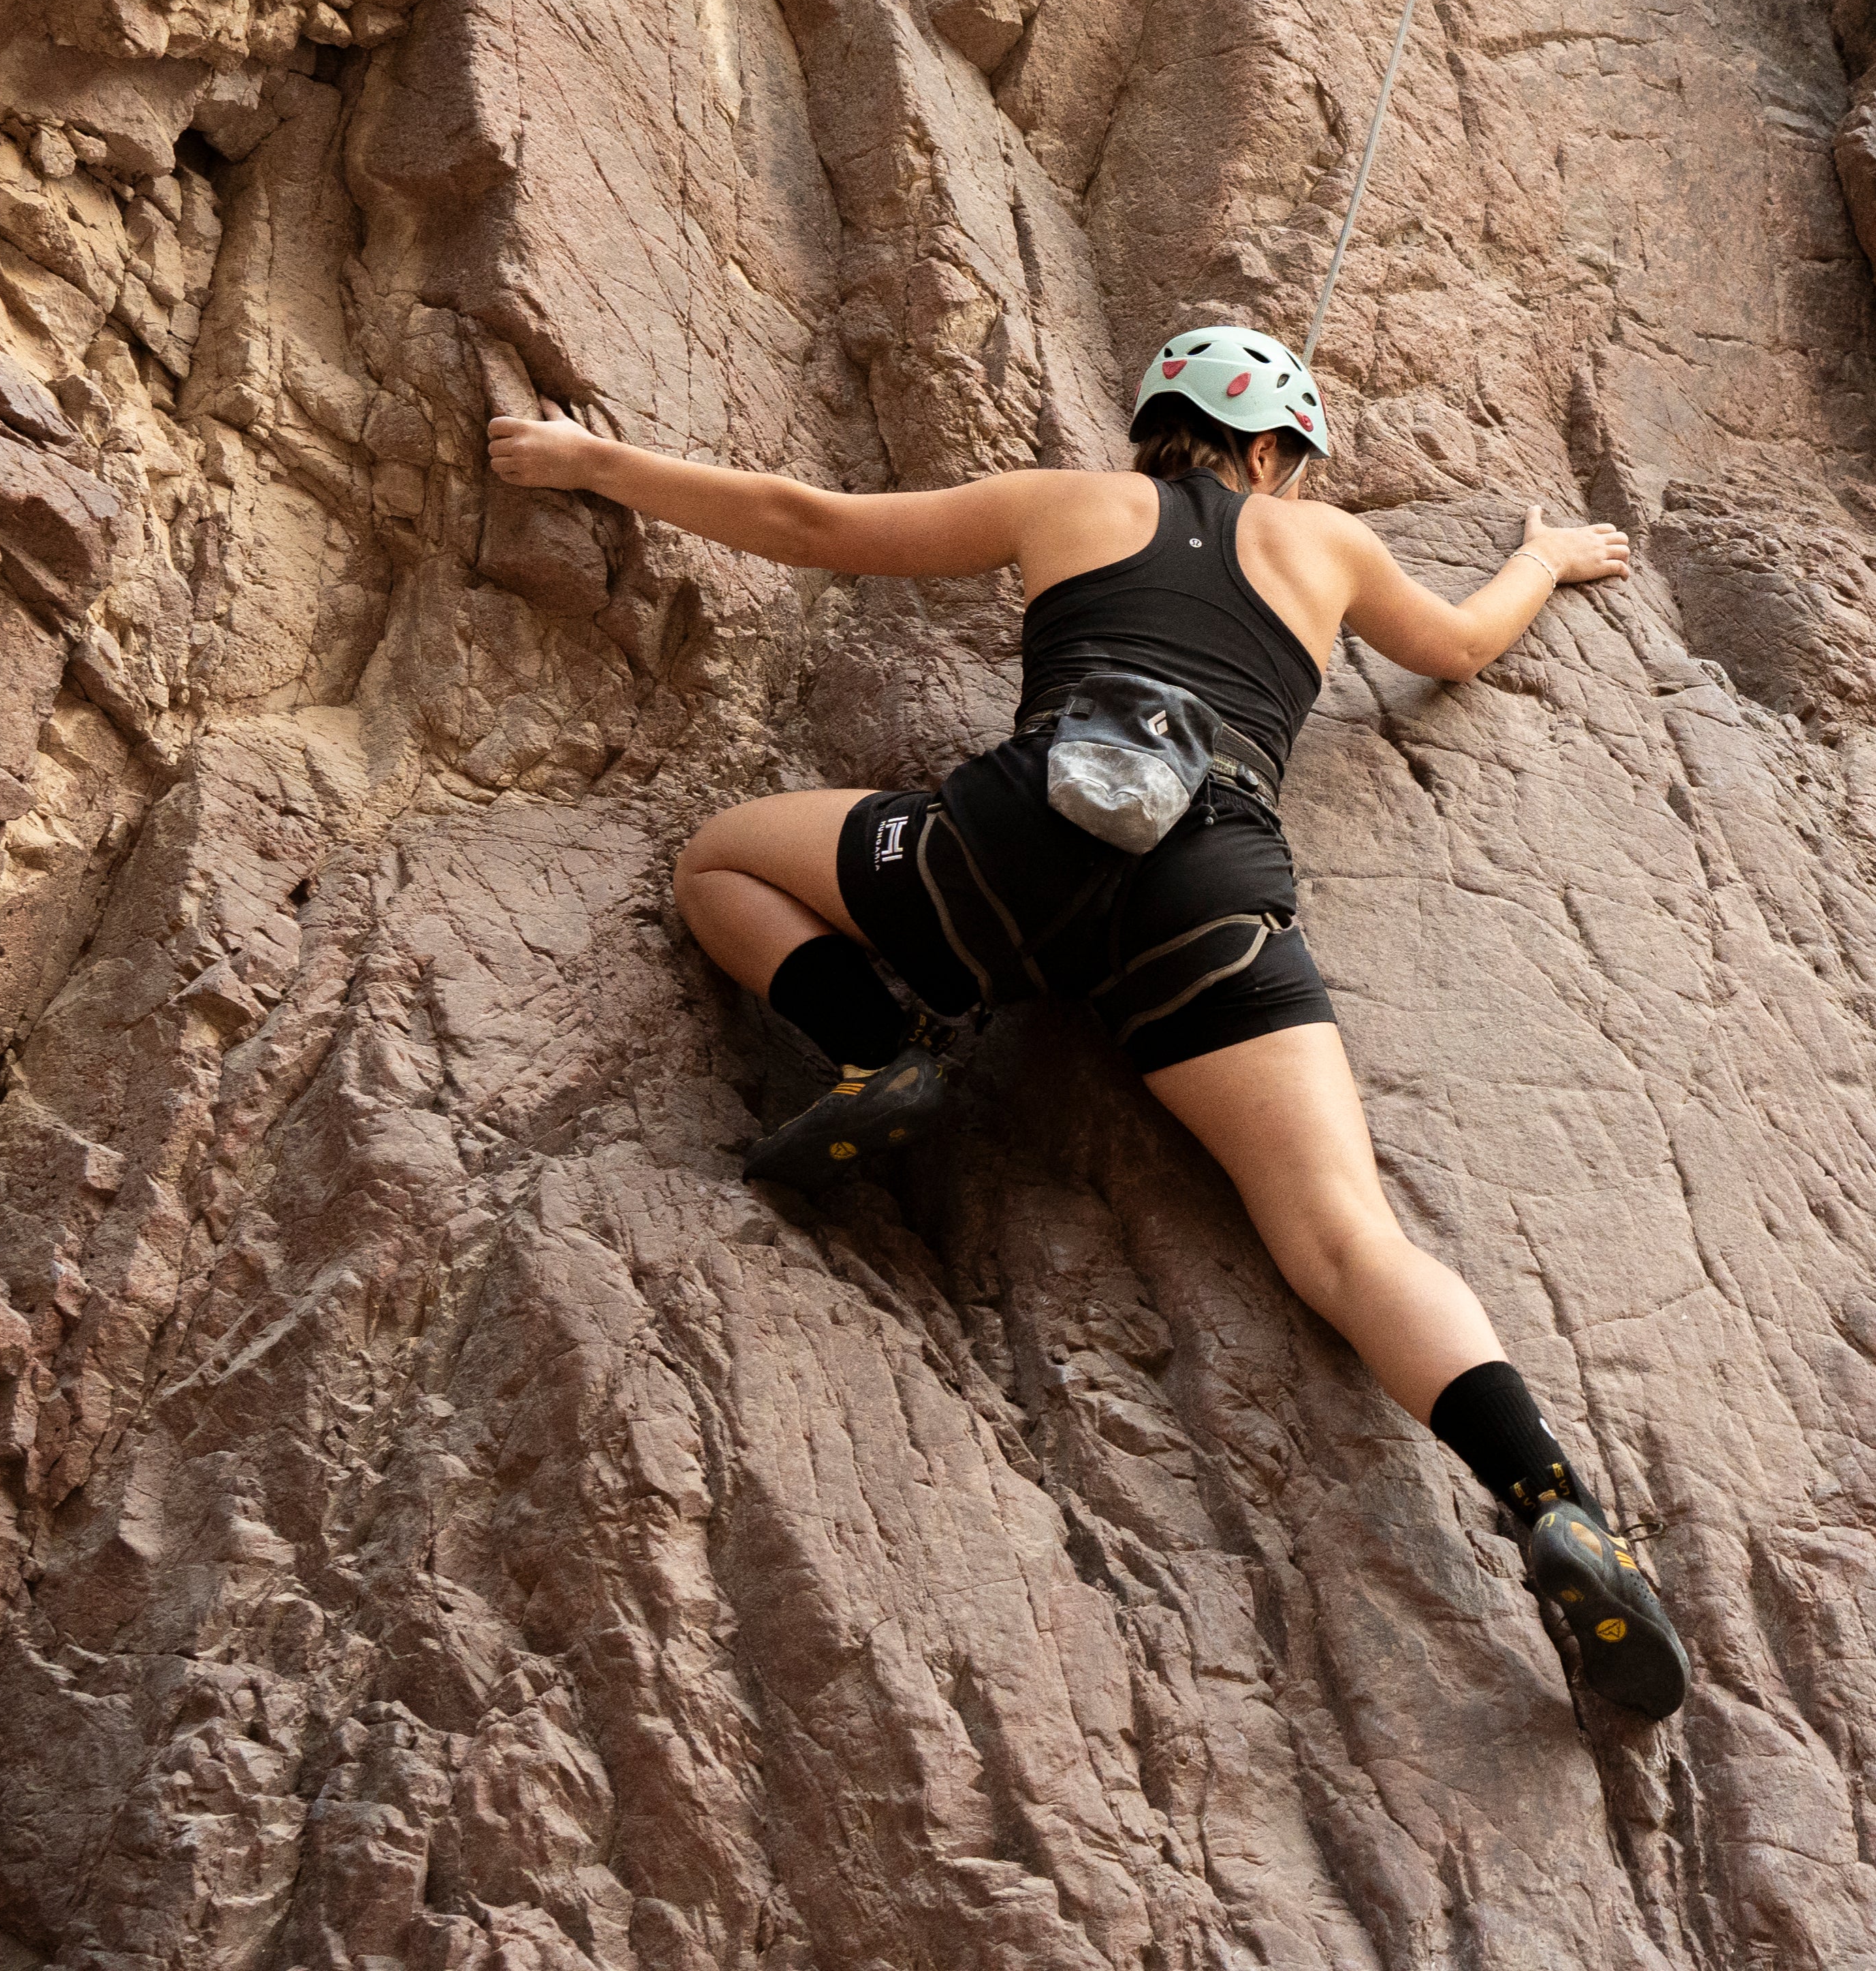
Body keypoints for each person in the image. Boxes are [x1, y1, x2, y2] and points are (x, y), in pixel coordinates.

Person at [482, 326, 1691, 1720]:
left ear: (1160, 426)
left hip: (997, 863)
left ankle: (881, 1041)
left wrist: (593, 459)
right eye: (1293, 464)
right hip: (1203, 904)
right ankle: (1555, 1502)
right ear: (1270, 449)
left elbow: (807, 523)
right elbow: (1460, 648)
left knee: (722, 858)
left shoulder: (1065, 501)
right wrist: (1542, 555)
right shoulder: (1334, 548)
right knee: (1347, 1238)